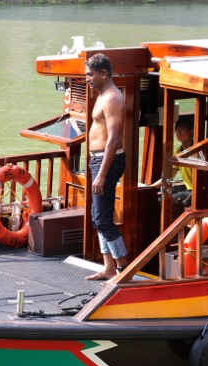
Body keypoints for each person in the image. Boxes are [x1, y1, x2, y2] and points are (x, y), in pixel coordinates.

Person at [83, 53, 128, 282]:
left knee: (103, 219)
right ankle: (108, 268)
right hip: (97, 160)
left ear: (103, 73)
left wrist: (101, 174)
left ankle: (122, 270)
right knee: (96, 217)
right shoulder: (101, 95)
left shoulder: (112, 98)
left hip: (107, 161)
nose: (87, 79)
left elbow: (113, 139)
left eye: (90, 75)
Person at [151, 115, 194, 206]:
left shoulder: (198, 151)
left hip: (197, 192)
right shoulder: (178, 152)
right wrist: (149, 188)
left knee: (165, 201)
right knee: (157, 197)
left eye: (181, 129)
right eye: (176, 129)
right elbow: (168, 177)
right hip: (188, 190)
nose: (178, 132)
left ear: (191, 132)